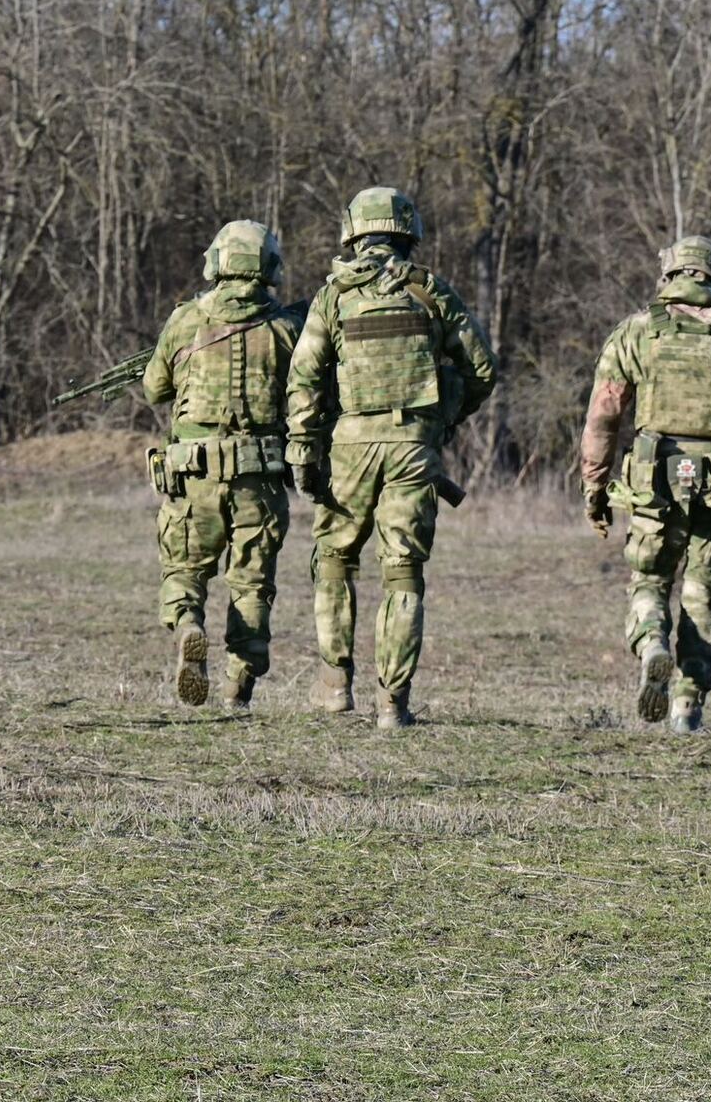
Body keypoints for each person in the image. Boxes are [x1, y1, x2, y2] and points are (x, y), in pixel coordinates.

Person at [284, 187, 498, 730]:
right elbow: (482, 370)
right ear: (408, 233)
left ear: (353, 234)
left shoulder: (333, 296)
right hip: (412, 447)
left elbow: (305, 376)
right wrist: (443, 419)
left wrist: (303, 448)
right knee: (402, 570)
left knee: (333, 559)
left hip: (350, 446)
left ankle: (335, 686)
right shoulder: (430, 292)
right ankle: (392, 704)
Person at [579, 237, 711, 732]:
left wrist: (595, 485)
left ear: (669, 275)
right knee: (701, 593)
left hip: (654, 481)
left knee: (650, 580)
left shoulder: (637, 332)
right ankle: (687, 706)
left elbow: (604, 414)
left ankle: (652, 643)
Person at [141, 220, 300, 709]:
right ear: (269, 265)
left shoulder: (186, 319)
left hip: (194, 476)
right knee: (251, 582)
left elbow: (154, 388)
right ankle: (238, 688)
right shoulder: (287, 327)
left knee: (185, 569)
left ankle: (188, 625)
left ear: (217, 263)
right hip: (259, 479)